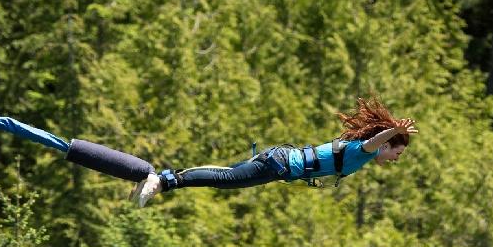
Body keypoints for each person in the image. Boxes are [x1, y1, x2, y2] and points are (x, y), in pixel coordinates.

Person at [129, 96, 418, 207]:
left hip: (278, 164)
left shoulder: (362, 153)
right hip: (278, 163)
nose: (395, 159)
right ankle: (162, 182)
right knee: (226, 178)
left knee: (225, 177)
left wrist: (392, 132)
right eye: (397, 153)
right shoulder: (365, 150)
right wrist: (394, 129)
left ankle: (160, 182)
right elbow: (375, 141)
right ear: (385, 144)